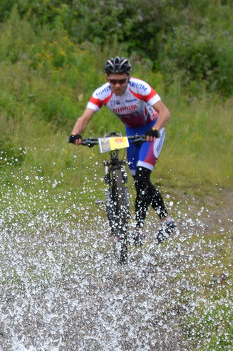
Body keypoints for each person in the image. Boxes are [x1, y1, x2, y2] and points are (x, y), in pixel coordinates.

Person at [68, 56, 177, 245]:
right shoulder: (102, 93)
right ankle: (167, 222)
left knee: (142, 176)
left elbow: (165, 112)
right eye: (113, 81)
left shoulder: (140, 88)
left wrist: (154, 130)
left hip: (151, 130)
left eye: (121, 81)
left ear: (129, 78)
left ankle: (139, 228)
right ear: (107, 79)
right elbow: (85, 117)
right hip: (131, 133)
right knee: (139, 180)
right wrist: (76, 133)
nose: (117, 85)